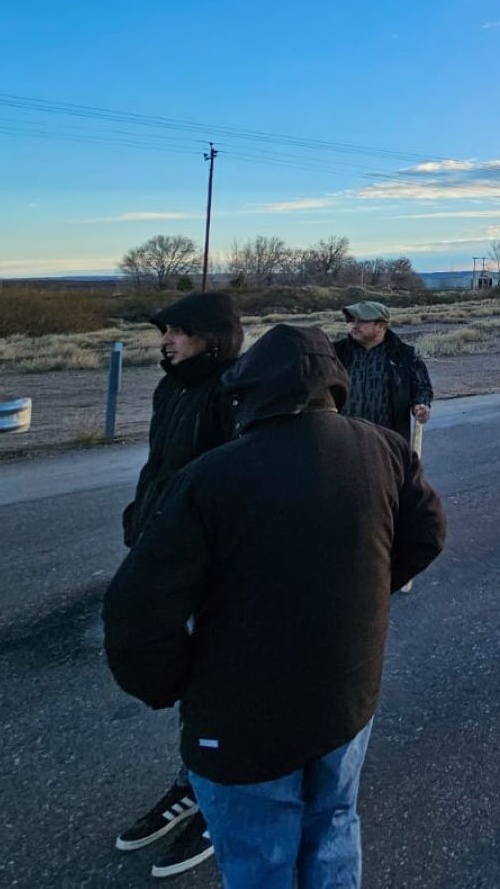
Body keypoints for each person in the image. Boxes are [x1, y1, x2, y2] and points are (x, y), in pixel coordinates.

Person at [103, 324, 447, 889]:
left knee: (262, 857)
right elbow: (427, 532)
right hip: (347, 692)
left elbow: (136, 611)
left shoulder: (211, 476)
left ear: (251, 389)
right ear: (331, 384)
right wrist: (363, 595)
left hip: (243, 716)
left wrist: (174, 682)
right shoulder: (384, 448)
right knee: (334, 823)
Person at [114, 290, 243, 879]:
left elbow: (236, 484)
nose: (166, 340)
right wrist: (141, 514)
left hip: (215, 562)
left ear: (211, 337)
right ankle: (194, 781)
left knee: (224, 678)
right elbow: (161, 464)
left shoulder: (234, 391)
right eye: (165, 331)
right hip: (164, 550)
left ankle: (225, 800)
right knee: (191, 677)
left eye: (178, 332)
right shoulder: (172, 388)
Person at [333, 301, 433, 438]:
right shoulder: (335, 353)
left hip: (389, 440)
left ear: (381, 325)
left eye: (361, 321)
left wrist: (420, 405)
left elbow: (422, 387)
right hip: (344, 438)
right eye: (350, 320)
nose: (354, 325)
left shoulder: (405, 355)